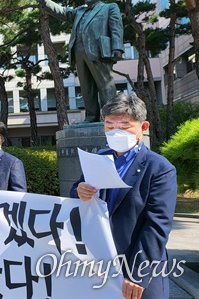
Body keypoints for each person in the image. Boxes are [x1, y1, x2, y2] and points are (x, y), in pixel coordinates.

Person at [70, 93, 177, 299]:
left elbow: (157, 225)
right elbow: (76, 193)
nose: (116, 132)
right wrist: (79, 191)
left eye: (124, 126)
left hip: (138, 269)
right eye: (110, 126)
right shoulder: (100, 157)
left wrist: (138, 274)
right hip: (99, 263)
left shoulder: (159, 168)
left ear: (143, 127)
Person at [30, 0, 124, 123]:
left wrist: (117, 48)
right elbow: (61, 11)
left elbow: (116, 28)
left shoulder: (109, 8)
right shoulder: (79, 11)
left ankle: (112, 117)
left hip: (99, 52)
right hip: (78, 53)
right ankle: (91, 117)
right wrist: (43, 1)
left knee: (106, 86)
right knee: (86, 88)